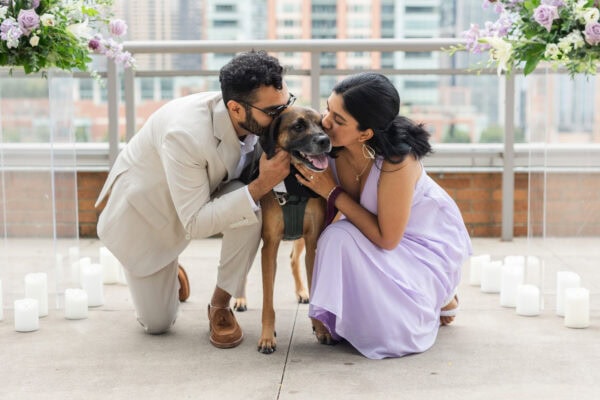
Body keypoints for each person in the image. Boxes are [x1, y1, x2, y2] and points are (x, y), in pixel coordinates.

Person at [94, 50, 293, 349]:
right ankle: (169, 270)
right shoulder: (184, 134)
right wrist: (262, 184)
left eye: (286, 104)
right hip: (150, 213)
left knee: (249, 211)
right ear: (236, 109)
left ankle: (220, 305)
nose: (284, 116)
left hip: (210, 188)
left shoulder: (255, 115)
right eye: (274, 112)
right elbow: (196, 223)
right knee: (157, 325)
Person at [295, 72, 472, 359]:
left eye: (339, 120)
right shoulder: (330, 145)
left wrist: (332, 192)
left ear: (365, 134)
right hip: (375, 235)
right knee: (335, 237)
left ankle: (436, 292)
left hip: (420, 245)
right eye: (328, 108)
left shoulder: (397, 160)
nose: (325, 122)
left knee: (390, 336)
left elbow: (387, 239)